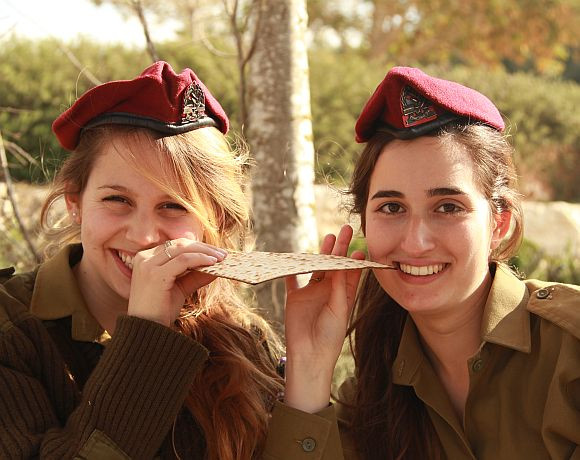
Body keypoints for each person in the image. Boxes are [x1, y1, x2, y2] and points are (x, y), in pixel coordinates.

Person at [264, 67, 580, 459]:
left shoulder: (570, 352)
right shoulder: (369, 402)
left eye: (448, 207)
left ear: (499, 224)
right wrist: (309, 369)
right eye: (392, 208)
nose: (415, 242)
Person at [0, 61, 283, 459]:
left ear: (214, 220)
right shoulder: (12, 330)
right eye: (117, 199)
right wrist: (147, 337)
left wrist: (310, 372)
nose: (144, 236)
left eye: (174, 205)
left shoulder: (241, 339)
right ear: (75, 202)